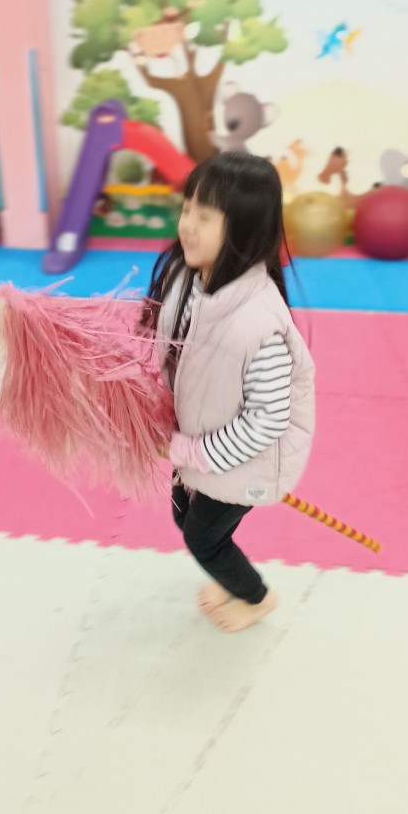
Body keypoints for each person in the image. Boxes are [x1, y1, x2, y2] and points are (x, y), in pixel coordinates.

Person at [142, 151, 315, 633]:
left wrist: (191, 450)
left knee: (203, 539)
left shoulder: (259, 325)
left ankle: (256, 597)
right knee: (185, 518)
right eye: (187, 209)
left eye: (205, 217)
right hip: (198, 442)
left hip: (244, 461)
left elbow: (268, 420)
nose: (187, 225)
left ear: (242, 229)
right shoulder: (187, 278)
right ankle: (228, 574)